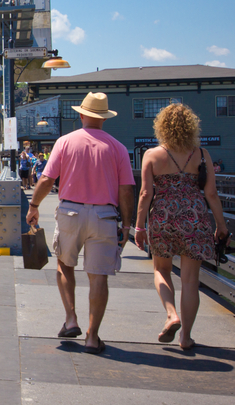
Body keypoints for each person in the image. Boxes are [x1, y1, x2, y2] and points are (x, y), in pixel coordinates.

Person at [25, 92, 135, 355]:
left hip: (70, 212)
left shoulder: (65, 142)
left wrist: (34, 206)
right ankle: (92, 336)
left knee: (65, 264)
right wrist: (128, 225)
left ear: (82, 114)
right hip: (105, 216)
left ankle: (71, 318)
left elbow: (47, 180)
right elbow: (127, 190)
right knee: (99, 277)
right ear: (104, 118)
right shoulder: (118, 148)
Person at [134, 104, 229, 350]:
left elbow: (145, 193)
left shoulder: (152, 155)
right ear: (191, 126)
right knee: (190, 280)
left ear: (161, 126)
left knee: (161, 270)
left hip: (163, 217)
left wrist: (139, 227)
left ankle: (171, 314)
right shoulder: (201, 154)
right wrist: (221, 225)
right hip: (195, 217)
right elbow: (211, 193)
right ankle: (185, 337)